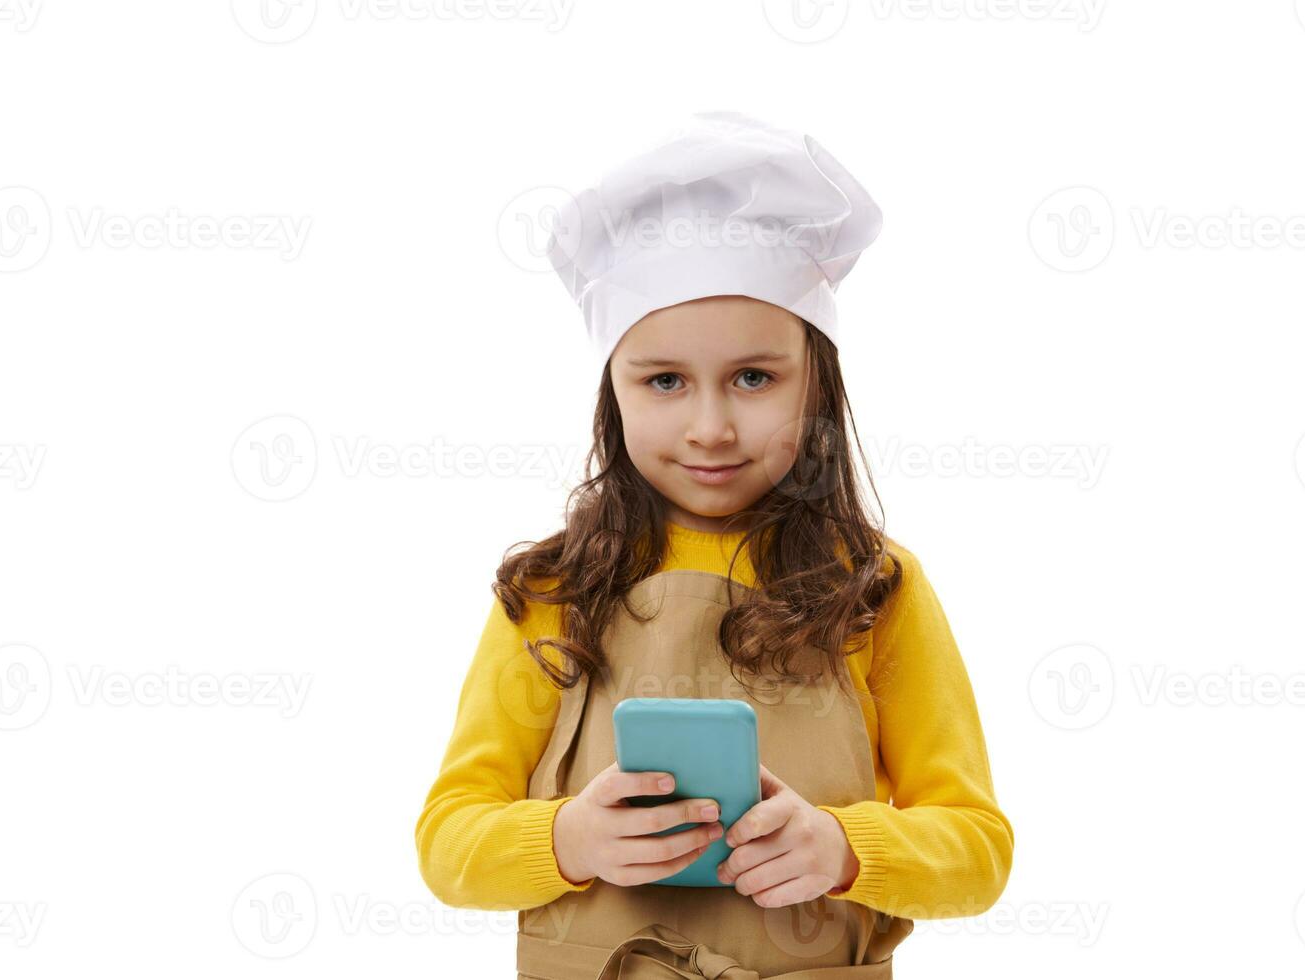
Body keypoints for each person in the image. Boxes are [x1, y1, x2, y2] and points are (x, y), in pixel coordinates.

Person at [415, 110, 1013, 979]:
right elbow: (447, 842)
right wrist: (568, 837)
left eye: (753, 377)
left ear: (817, 380)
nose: (710, 427)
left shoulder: (876, 586)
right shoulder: (554, 587)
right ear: (611, 390)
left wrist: (846, 850)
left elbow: (977, 853)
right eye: (663, 380)